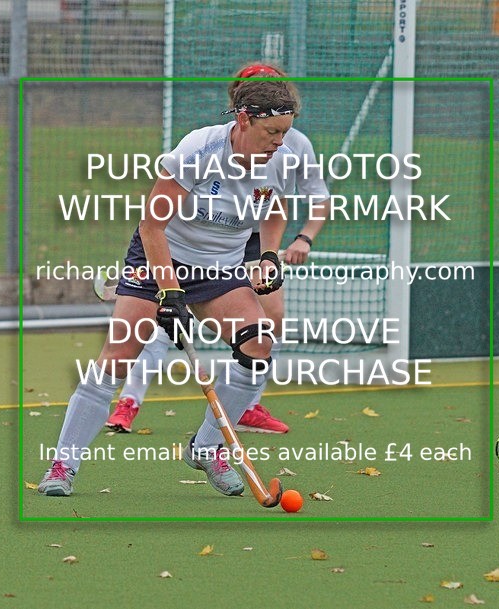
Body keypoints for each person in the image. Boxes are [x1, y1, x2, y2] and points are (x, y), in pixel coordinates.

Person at [38, 79, 299, 496]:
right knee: (117, 357)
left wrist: (268, 255)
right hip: (162, 257)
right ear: (245, 120)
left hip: (219, 269)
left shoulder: (283, 160)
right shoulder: (199, 150)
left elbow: (273, 210)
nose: (279, 142)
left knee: (258, 344)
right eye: (272, 133)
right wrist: (170, 292)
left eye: (285, 132)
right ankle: (63, 467)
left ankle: (208, 447)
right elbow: (152, 223)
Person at [105, 62, 331, 435]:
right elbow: (157, 219)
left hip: (246, 233)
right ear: (244, 107)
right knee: (161, 324)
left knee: (267, 323)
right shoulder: (209, 146)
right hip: (197, 234)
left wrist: (290, 245)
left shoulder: (292, 145)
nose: (277, 136)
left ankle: (245, 403)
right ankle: (130, 400)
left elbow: (284, 203)